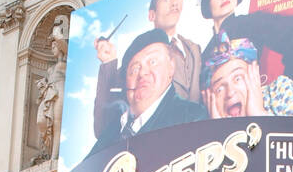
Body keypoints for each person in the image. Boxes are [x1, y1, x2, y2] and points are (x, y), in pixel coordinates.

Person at [93, 0, 202, 135]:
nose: (175, 2)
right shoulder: (135, 61)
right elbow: (103, 126)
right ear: (151, 15)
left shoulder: (194, 49)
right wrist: (108, 63)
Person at [87, 29, 207, 158]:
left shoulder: (193, 119)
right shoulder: (110, 133)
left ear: (171, 67)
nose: (143, 72)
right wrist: (108, 61)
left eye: (153, 62)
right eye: (134, 69)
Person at [201, 13, 293, 119]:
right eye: (219, 89)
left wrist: (260, 116)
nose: (230, 92)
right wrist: (217, 132)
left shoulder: (278, 92)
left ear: (255, 74)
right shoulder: (206, 120)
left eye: (238, 78)